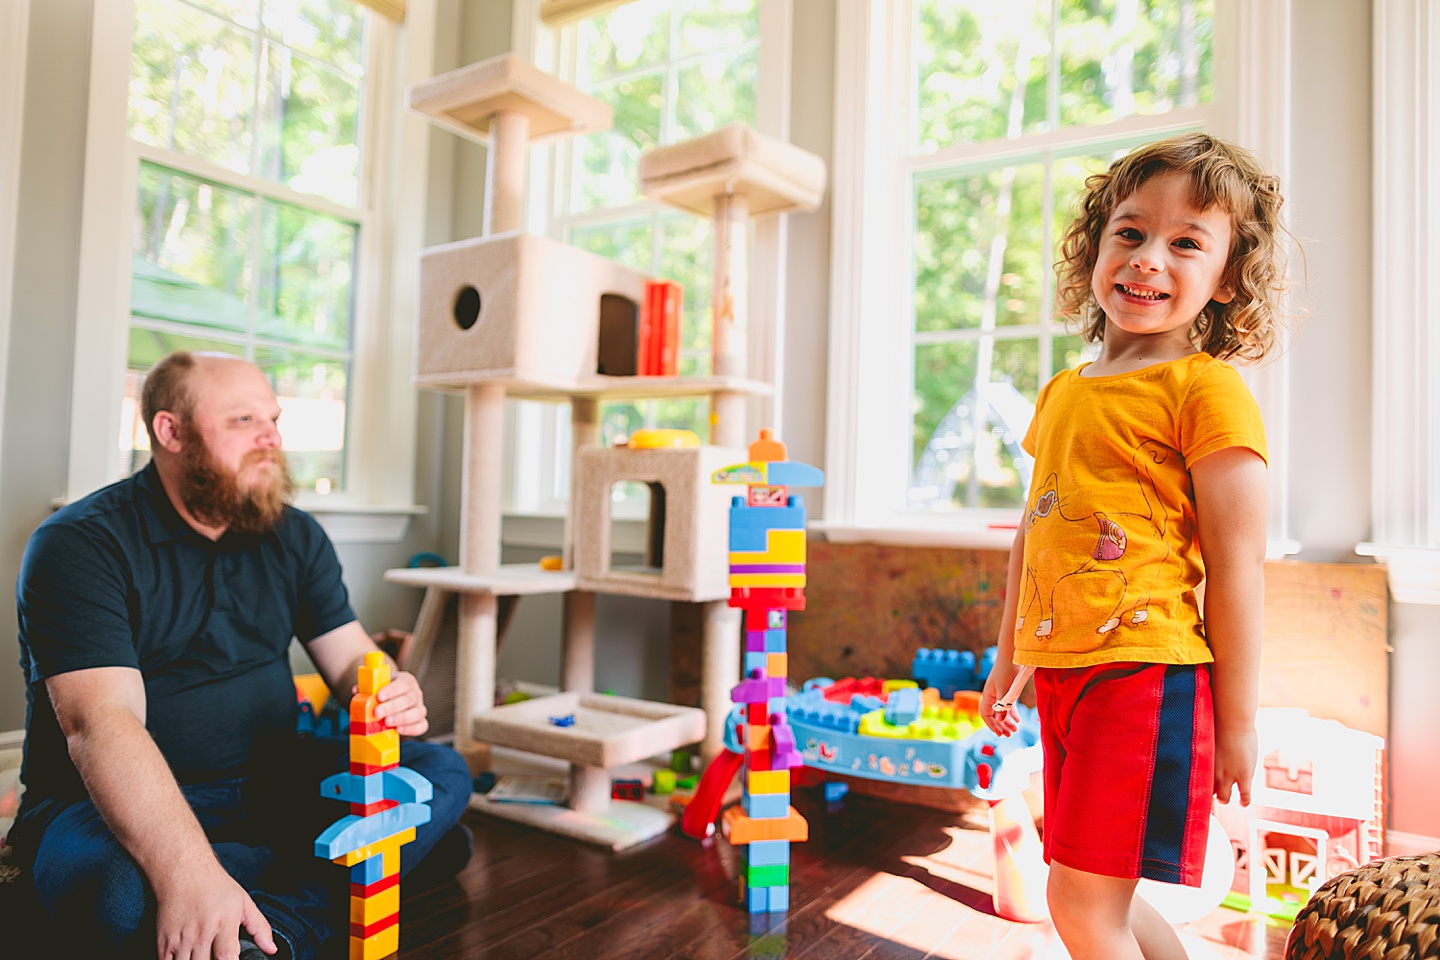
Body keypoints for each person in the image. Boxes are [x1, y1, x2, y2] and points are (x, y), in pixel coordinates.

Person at [11, 351, 473, 960]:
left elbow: (352, 662)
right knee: (115, 896)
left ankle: (266, 925)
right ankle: (262, 878)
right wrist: (185, 872)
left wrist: (390, 688)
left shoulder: (293, 533)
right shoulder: (78, 544)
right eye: (243, 421)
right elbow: (99, 725)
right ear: (170, 432)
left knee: (440, 774)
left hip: (270, 777)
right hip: (107, 804)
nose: (272, 438)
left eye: (274, 420)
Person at [979, 133, 1292, 960]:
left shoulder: (1206, 390)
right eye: (1129, 231)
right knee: (1084, 890)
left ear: (1226, 278)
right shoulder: (1061, 393)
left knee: (1079, 904)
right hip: (1064, 675)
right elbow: (1034, 533)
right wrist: (1007, 653)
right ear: (1096, 245)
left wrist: (1238, 722)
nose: (1149, 257)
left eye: (1186, 242)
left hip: (1145, 677)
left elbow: (1238, 568)